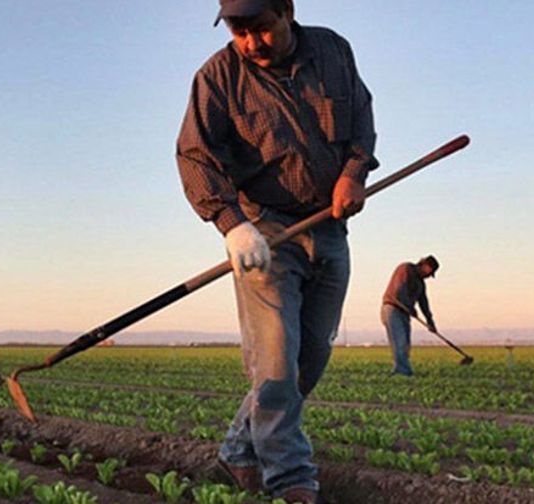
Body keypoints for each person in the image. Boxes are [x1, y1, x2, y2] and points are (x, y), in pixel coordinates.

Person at [176, 0, 378, 501]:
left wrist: (354, 173)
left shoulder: (333, 51)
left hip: (328, 226)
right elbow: (194, 155)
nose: (251, 43)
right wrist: (233, 226)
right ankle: (290, 479)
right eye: (238, 31)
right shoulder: (218, 78)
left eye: (261, 28)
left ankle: (237, 451)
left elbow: (360, 120)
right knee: (276, 361)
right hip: (264, 231)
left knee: (311, 358)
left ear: (287, 10)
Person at [380, 256, 439, 376]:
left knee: (405, 344)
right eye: (430, 272)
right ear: (425, 265)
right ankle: (403, 371)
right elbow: (400, 291)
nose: (429, 276)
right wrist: (410, 307)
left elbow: (424, 303)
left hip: (404, 312)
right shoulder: (406, 269)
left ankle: (400, 370)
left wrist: (430, 321)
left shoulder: (421, 284)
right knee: (400, 341)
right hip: (392, 309)